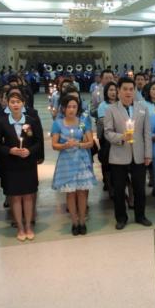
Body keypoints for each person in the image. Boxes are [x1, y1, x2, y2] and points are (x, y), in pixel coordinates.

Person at [0, 91, 41, 241]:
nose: (15, 104)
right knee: (15, 197)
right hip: (11, 165)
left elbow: (38, 142)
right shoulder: (1, 122)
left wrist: (29, 151)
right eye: (12, 102)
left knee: (28, 196)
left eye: (18, 102)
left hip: (28, 164)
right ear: (8, 104)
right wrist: (9, 150)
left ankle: (28, 226)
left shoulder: (31, 121)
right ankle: (20, 227)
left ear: (23, 103)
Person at [104, 77, 153, 229]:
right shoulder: (111, 109)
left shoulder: (142, 108)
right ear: (119, 91)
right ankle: (121, 218)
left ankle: (140, 215)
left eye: (131, 89)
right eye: (125, 89)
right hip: (119, 154)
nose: (128, 92)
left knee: (139, 188)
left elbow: (147, 133)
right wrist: (122, 137)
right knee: (119, 189)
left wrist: (148, 154)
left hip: (138, 154)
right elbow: (107, 132)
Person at [51, 95, 97, 235]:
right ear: (63, 108)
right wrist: (65, 145)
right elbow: (54, 145)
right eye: (69, 107)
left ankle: (82, 221)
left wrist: (79, 144)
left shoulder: (82, 123)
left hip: (81, 160)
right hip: (66, 161)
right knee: (70, 194)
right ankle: (74, 222)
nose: (71, 109)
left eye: (74, 107)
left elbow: (90, 142)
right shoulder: (58, 124)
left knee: (82, 193)